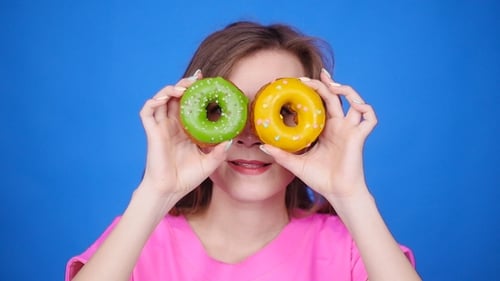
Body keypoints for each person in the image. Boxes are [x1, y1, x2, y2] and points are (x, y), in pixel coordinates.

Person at [66, 21, 421, 281]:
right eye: (222, 111)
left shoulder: (351, 249)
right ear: (189, 119)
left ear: (317, 129)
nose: (249, 137)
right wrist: (157, 191)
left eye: (283, 112)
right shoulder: (137, 239)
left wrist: (351, 195)